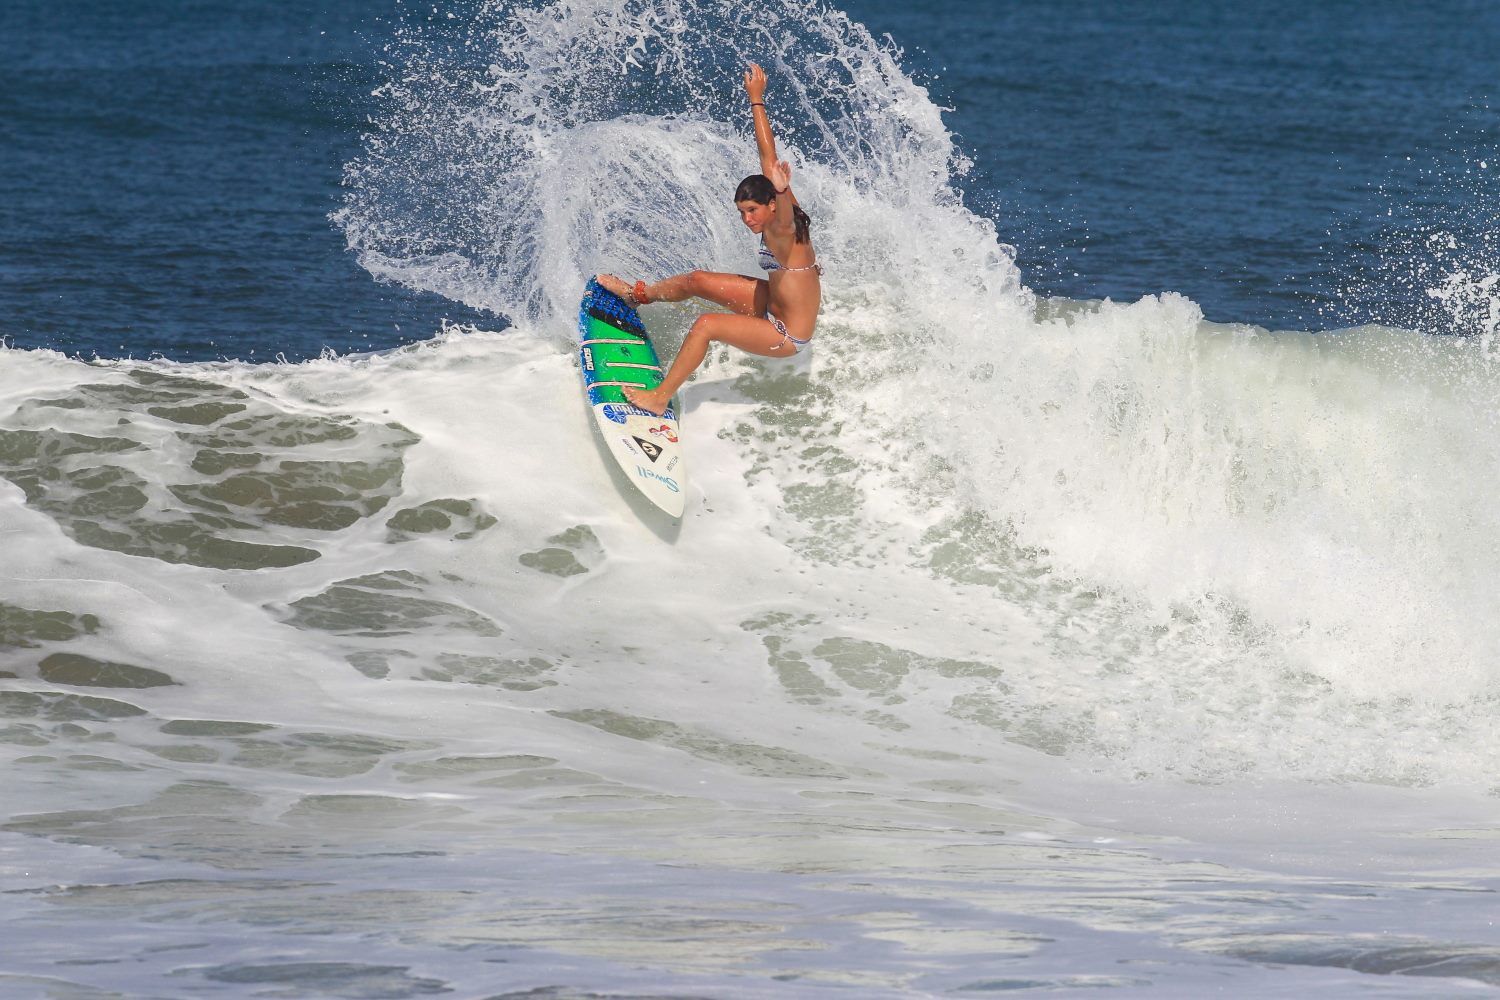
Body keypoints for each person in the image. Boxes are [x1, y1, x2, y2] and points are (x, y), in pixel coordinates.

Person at [596, 62, 822, 417]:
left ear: (770, 204)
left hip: (785, 333)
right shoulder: (774, 203)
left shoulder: (783, 224)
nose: (747, 219)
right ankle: (636, 296)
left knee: (707, 325)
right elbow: (768, 157)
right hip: (772, 301)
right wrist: (756, 99)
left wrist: (780, 189)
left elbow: (784, 221)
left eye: (752, 210)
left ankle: (659, 398)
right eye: (741, 212)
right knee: (696, 280)